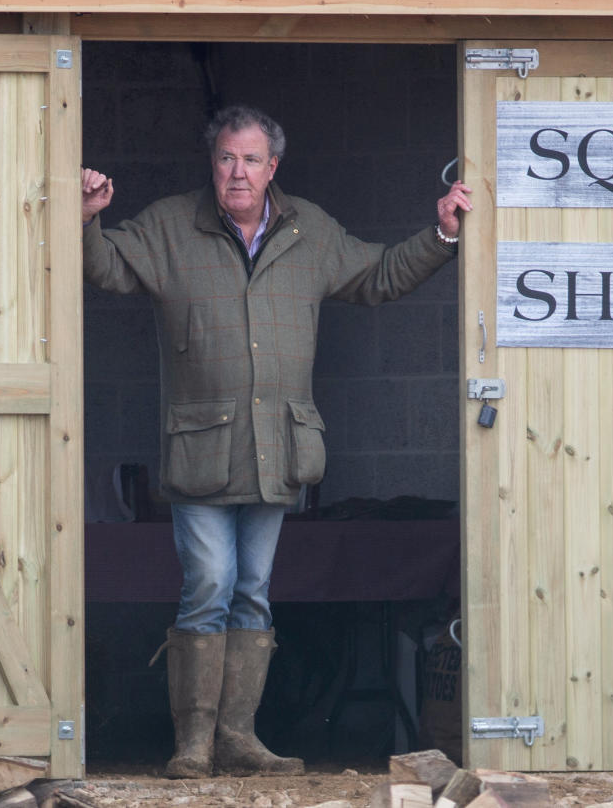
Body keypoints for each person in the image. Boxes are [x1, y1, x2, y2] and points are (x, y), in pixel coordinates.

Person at [81, 104, 472, 779]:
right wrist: (85, 217)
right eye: (227, 158)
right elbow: (107, 267)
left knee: (254, 590)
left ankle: (238, 737)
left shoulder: (309, 230)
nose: (238, 171)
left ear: (273, 168)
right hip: (202, 452)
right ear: (213, 164)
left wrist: (439, 235)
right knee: (209, 584)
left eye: (251, 159)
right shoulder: (171, 226)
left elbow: (377, 275)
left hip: (277, 451)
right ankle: (194, 743)